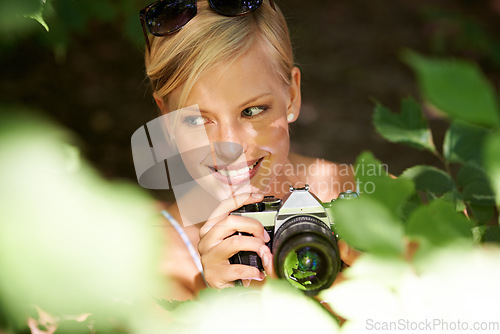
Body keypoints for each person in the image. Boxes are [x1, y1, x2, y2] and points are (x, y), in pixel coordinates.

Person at [140, 0, 356, 300]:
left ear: (292, 96)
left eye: (253, 111)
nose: (230, 146)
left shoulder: (371, 203)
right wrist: (213, 300)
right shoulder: (146, 262)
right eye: (198, 119)